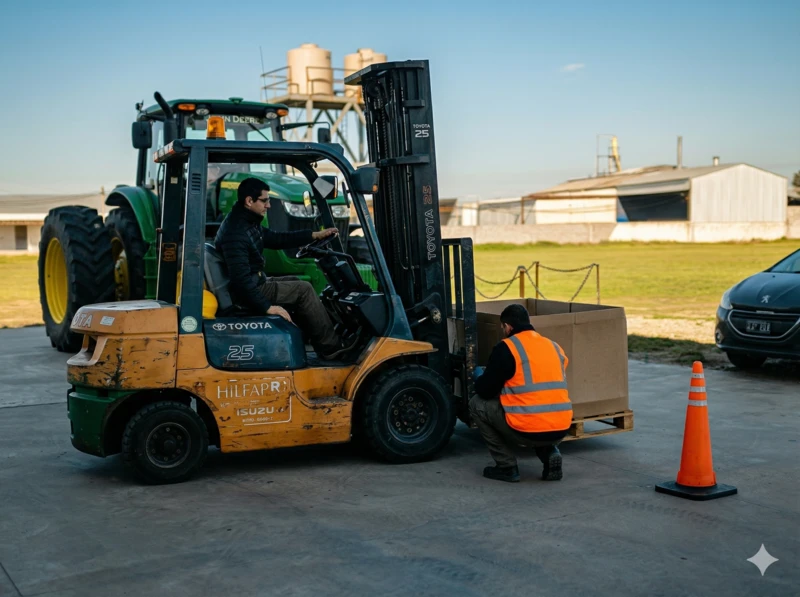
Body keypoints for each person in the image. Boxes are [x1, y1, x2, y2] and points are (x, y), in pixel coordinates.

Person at [215, 177, 356, 360]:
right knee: (303, 290)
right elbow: (240, 281)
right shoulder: (236, 233)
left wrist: (313, 235)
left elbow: (276, 238)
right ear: (249, 201)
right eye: (265, 200)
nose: (269, 206)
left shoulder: (246, 222)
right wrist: (267, 307)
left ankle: (311, 339)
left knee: (297, 282)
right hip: (247, 291)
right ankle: (331, 347)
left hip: (254, 281)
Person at [469, 303, 573, 483]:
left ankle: (506, 466)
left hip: (526, 429)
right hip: (561, 428)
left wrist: (480, 376)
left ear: (508, 326)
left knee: (477, 404)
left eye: (503, 327)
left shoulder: (507, 348)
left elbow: (485, 391)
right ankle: (550, 453)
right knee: (539, 414)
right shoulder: (554, 347)